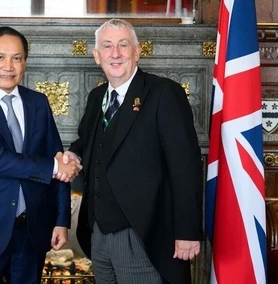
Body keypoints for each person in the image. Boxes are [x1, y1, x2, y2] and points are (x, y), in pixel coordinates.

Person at [61, 19, 203, 284]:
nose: (115, 53)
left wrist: (187, 231)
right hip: (99, 234)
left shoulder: (164, 93)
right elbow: (86, 142)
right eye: (107, 46)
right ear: (96, 56)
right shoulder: (96, 97)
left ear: (137, 52)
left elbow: (186, 167)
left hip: (144, 234)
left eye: (123, 45)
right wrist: (73, 155)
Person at [0, 26, 82, 284]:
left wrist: (61, 220)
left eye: (17, 58)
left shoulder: (38, 102)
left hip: (32, 231)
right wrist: (54, 167)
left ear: (25, 62)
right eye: (0, 57)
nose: (8, 66)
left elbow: (56, 154)